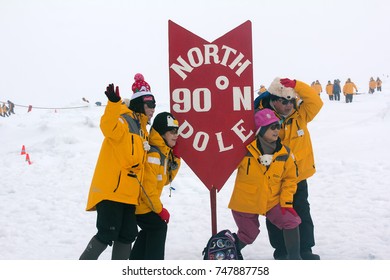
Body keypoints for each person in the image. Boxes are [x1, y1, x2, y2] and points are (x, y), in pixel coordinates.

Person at [79, 73, 156, 260]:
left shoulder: (143, 131)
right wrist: (113, 103)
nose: (153, 109)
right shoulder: (123, 119)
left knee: (127, 235)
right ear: (140, 104)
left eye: (154, 104)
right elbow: (108, 126)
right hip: (112, 191)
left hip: (129, 195)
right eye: (150, 105)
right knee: (107, 233)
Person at [254, 77, 323, 260]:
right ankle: (282, 251)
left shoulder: (301, 114)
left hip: (298, 175)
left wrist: (297, 85)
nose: (289, 105)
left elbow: (316, 101)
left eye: (292, 100)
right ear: (274, 99)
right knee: (277, 214)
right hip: (274, 178)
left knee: (301, 211)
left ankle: (305, 249)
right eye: (284, 101)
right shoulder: (262, 118)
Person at [228, 108, 302, 260]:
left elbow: (290, 179)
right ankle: (228, 252)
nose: (276, 130)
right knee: (250, 233)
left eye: (278, 126)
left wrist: (286, 202)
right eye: (272, 127)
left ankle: (295, 259)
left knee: (290, 221)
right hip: (246, 201)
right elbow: (224, 166)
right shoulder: (244, 151)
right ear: (261, 130)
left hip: (272, 200)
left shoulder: (285, 153)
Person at [129, 112, 181, 260]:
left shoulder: (162, 153)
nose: (176, 135)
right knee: (159, 227)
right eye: (172, 131)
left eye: (177, 131)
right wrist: (160, 210)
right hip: (140, 205)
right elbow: (147, 190)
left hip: (144, 204)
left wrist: (176, 159)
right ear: (161, 133)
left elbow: (165, 180)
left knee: (150, 229)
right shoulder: (153, 155)